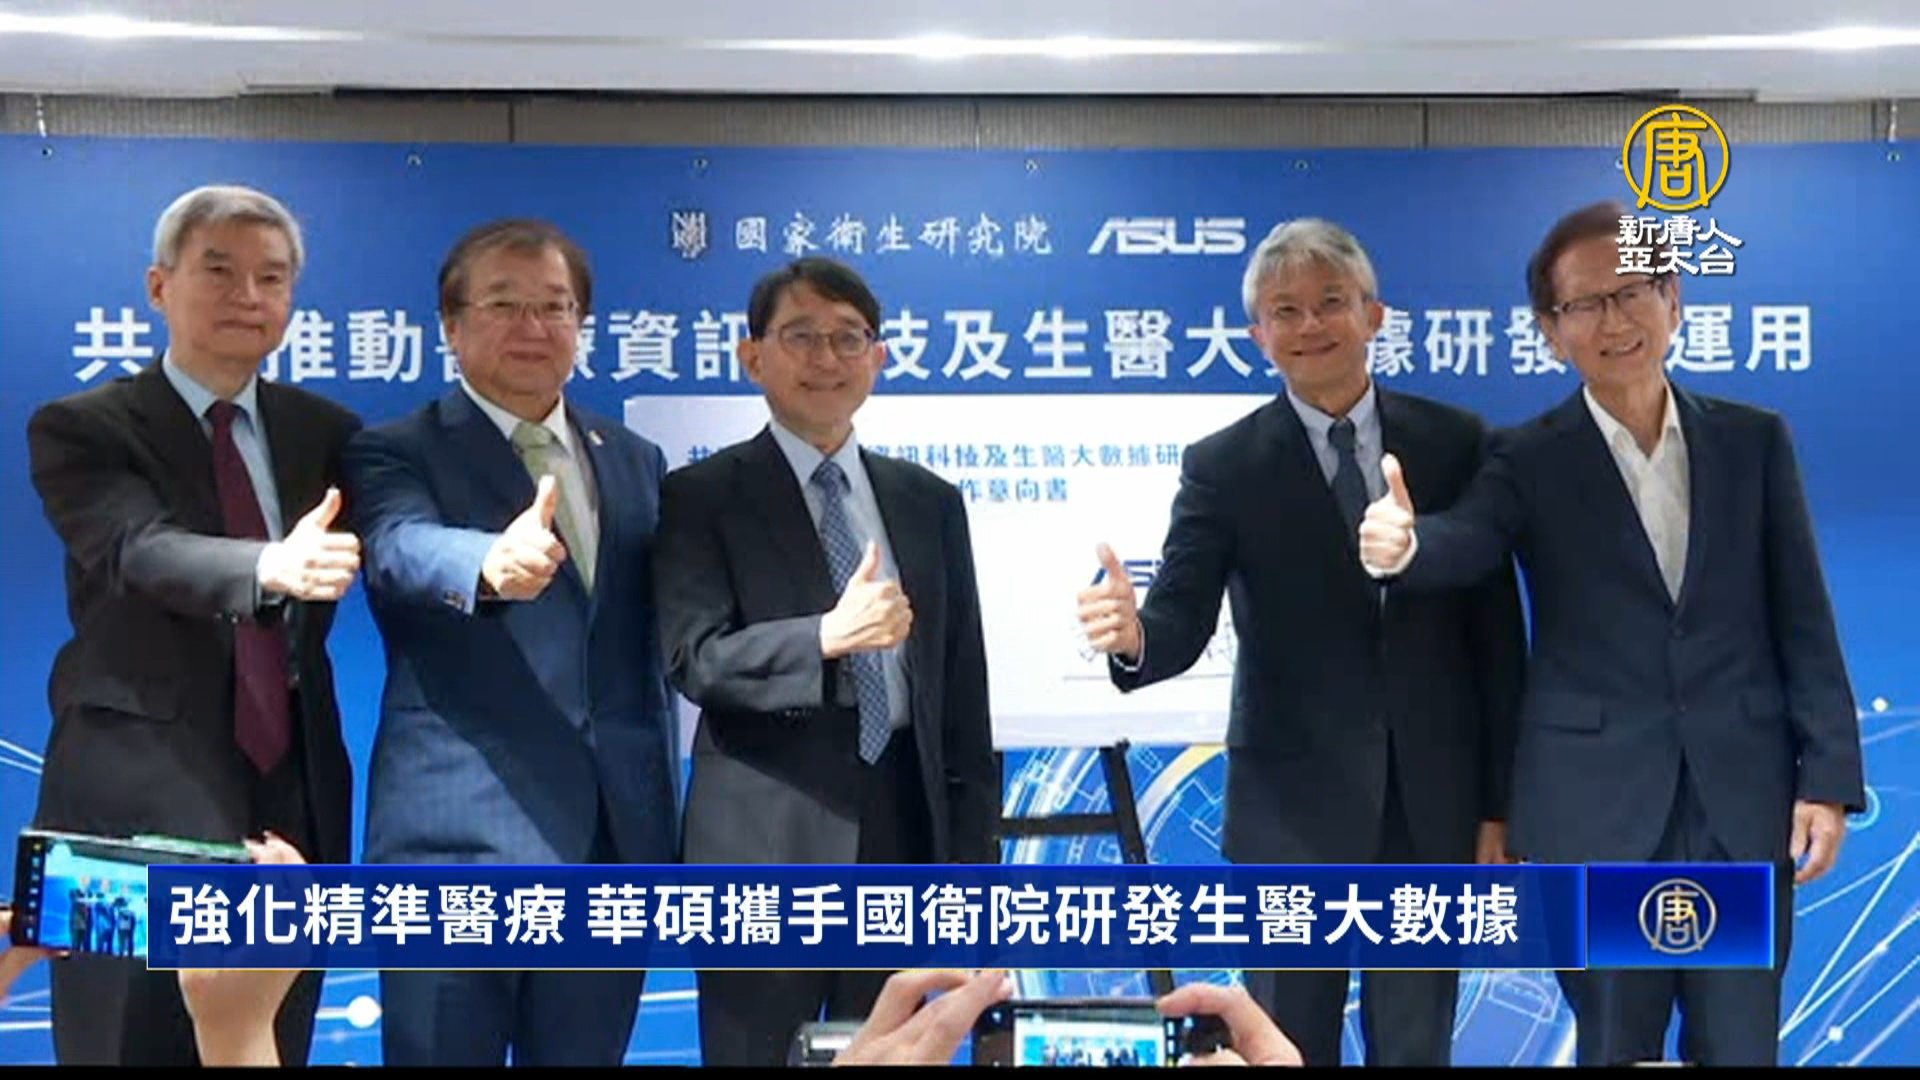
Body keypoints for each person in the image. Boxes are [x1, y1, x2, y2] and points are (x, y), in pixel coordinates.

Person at [1358, 200, 1866, 1065]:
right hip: (1596, 810)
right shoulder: (1528, 456)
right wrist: (1405, 546)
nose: (1615, 320)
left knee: (1740, 1043)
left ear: (1673, 300)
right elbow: (1469, 539)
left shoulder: (1753, 441)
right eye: (1585, 304)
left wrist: (1826, 779)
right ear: (1551, 332)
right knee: (1613, 1043)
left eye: (1633, 293)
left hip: (1737, 805)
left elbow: (1803, 618)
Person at [1076, 219, 1525, 1067]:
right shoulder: (1224, 464)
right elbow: (1181, 616)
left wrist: (1499, 805)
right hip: (1290, 815)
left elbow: (1496, 638)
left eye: (1331, 302)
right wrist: (1134, 637)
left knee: (1415, 1046)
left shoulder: (1454, 441)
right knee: (1284, 1045)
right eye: (1285, 310)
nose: (1310, 325)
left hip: (1429, 807)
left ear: (1374, 314)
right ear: (1258, 335)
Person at [25, 184, 361, 1066]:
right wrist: (266, 567)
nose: (248, 296)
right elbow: (135, 547)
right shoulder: (81, 427)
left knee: (264, 1035)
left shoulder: (326, 431)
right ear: (158, 286)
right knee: (115, 1035)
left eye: (271, 278)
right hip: (121, 798)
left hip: (289, 792)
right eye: (219, 271)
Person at [342, 218, 680, 1066]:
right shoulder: (395, 450)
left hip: (609, 847)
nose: (533, 327)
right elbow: (398, 547)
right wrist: (487, 562)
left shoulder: (633, 457)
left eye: (555, 307)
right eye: (503, 304)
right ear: (451, 326)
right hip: (455, 848)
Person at [653, 256, 999, 1067]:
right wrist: (824, 637)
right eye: (801, 336)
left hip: (903, 835)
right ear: (752, 357)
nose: (827, 358)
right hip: (762, 846)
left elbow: (961, 693)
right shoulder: (701, 494)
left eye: (849, 338)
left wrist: (973, 867)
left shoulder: (928, 501)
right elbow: (695, 659)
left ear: (879, 357)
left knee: (891, 1056)